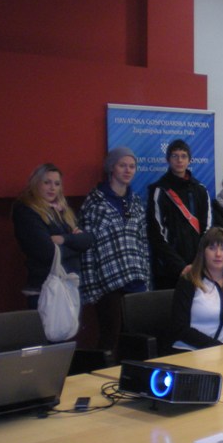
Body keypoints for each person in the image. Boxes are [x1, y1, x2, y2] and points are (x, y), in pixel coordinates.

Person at [80, 147, 150, 353]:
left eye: (132, 166)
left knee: (135, 340)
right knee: (110, 339)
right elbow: (87, 248)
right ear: (112, 168)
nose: (127, 170)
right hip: (108, 283)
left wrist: (146, 278)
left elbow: (143, 242)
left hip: (136, 279)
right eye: (122, 166)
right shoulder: (95, 202)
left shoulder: (135, 201)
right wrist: (91, 287)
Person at [12, 163, 93, 309]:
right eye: (47, 182)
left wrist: (64, 239)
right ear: (36, 183)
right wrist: (75, 245)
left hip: (69, 287)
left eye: (57, 184)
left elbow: (87, 240)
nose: (52, 188)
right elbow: (47, 251)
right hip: (44, 290)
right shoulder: (26, 211)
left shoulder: (62, 210)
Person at [169, 227, 223, 351]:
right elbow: (180, 328)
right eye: (212, 248)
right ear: (203, 252)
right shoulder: (189, 280)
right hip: (189, 352)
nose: (218, 254)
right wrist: (219, 348)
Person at [147, 139, 212, 290]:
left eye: (183, 156)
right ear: (168, 159)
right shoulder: (159, 190)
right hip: (168, 271)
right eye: (175, 156)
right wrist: (179, 266)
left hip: (198, 267)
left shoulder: (201, 190)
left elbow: (207, 230)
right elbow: (156, 234)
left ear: (189, 160)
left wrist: (198, 262)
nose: (179, 160)